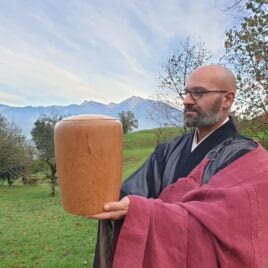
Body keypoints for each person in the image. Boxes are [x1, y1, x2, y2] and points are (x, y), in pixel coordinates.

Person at [89, 65, 268, 267]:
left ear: (227, 99)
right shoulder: (169, 149)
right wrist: (101, 196)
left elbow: (235, 230)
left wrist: (144, 210)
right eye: (187, 92)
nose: (186, 100)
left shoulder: (252, 160)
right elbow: (132, 193)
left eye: (198, 93)